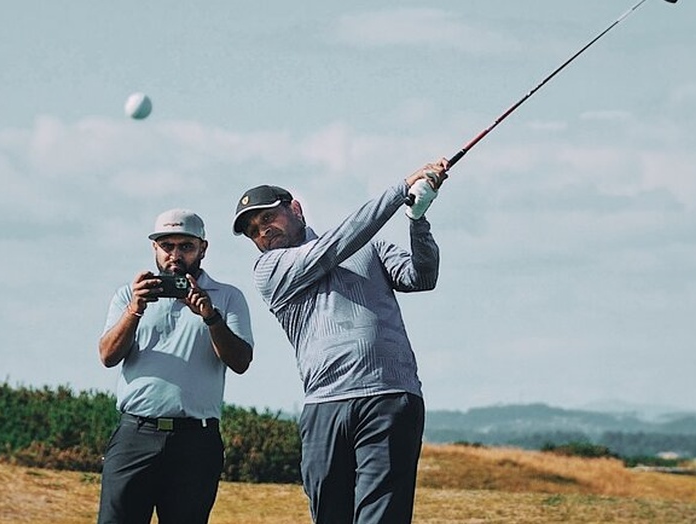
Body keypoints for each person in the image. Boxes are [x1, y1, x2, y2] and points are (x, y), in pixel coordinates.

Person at [231, 159, 448, 523]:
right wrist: (399, 190)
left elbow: (421, 276)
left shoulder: (368, 247)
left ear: (294, 209)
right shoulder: (269, 269)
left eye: (267, 218)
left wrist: (418, 218)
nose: (262, 232)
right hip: (325, 405)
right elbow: (331, 249)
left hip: (390, 396)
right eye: (253, 230)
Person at [97, 208, 254, 524]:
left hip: (196, 441)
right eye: (166, 246)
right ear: (154, 248)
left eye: (185, 246)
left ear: (202, 249)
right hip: (135, 434)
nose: (175, 255)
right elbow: (108, 356)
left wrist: (211, 317)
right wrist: (134, 310)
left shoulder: (227, 297)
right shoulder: (129, 295)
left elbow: (240, 361)